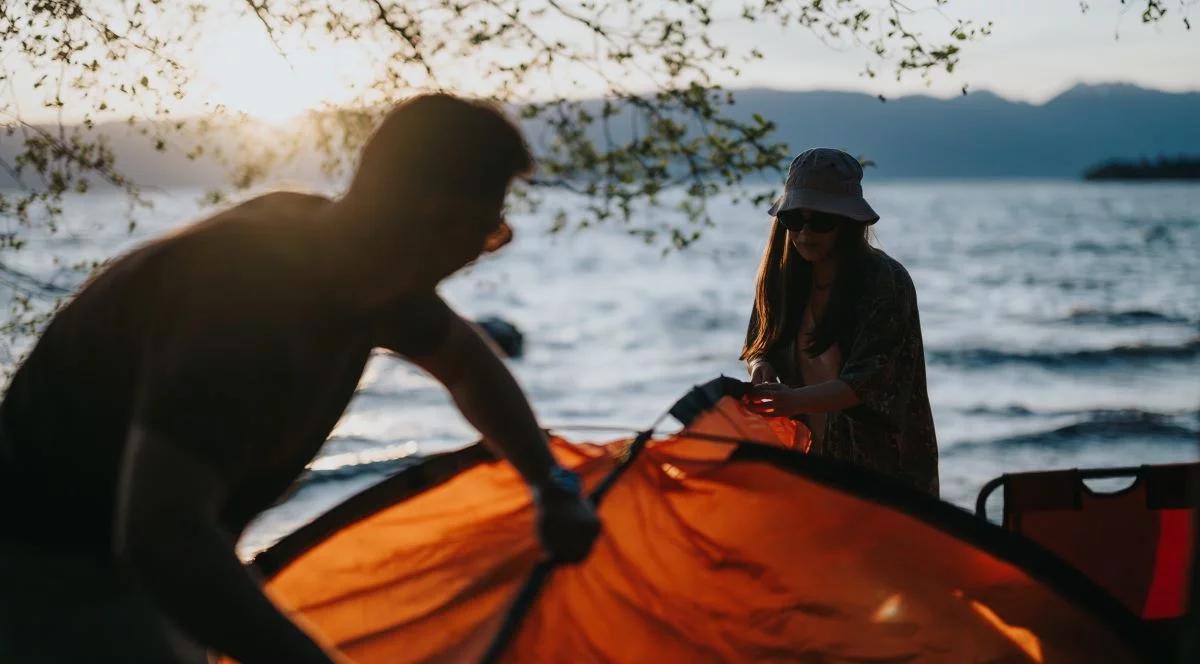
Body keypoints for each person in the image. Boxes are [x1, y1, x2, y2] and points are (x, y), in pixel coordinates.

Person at [0, 94, 600, 663]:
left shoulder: (359, 266)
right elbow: (163, 539)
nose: (485, 249)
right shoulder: (249, 308)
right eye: (488, 230)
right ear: (433, 216)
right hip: (46, 565)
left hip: (124, 566)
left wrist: (549, 484)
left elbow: (468, 364)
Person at [741, 148, 938, 495]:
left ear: (848, 223)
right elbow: (760, 343)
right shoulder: (781, 278)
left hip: (883, 478)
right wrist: (760, 366)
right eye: (793, 220)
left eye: (820, 221)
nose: (804, 233)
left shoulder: (885, 280)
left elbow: (868, 383)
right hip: (806, 465)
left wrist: (792, 401)